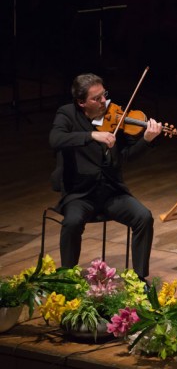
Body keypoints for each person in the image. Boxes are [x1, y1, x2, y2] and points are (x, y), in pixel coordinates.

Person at [49, 73, 163, 282]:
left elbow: (124, 157)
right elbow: (56, 139)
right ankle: (68, 278)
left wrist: (146, 140)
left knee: (143, 217)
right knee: (72, 223)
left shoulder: (114, 117)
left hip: (111, 192)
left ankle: (140, 279)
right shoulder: (67, 114)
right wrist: (91, 135)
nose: (104, 102)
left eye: (104, 95)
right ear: (81, 102)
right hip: (80, 194)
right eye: (96, 98)